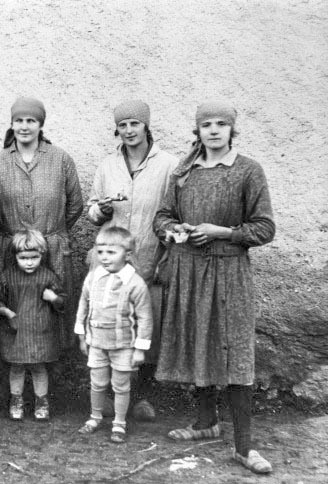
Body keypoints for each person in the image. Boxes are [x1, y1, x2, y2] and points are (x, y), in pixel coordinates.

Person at [153, 101, 275, 474]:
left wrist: (223, 232)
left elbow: (265, 228)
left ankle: (244, 447)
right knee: (198, 340)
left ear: (232, 130)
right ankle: (206, 422)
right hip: (189, 269)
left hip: (229, 272)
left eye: (222, 124)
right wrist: (175, 231)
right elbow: (162, 217)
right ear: (198, 130)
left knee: (234, 352)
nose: (214, 130)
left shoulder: (248, 170)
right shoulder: (183, 171)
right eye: (207, 124)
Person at [0, 97, 84, 401]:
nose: (24, 126)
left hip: (51, 249)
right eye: (19, 120)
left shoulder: (60, 159)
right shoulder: (0, 161)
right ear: (11, 124)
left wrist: (47, 236)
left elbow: (75, 205)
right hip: (10, 251)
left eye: (31, 121)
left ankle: (50, 387)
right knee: (9, 310)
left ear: (41, 124)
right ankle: (10, 385)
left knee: (49, 311)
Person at [87, 100, 179, 421]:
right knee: (112, 326)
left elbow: (174, 210)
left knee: (146, 327)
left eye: (134, 124)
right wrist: (101, 210)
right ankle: (113, 398)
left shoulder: (168, 165)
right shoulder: (108, 165)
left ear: (146, 126)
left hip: (150, 257)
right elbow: (92, 211)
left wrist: (166, 245)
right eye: (123, 125)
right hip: (112, 263)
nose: (128, 131)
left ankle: (143, 397)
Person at [74, 227, 153, 443]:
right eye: (100, 252)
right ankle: (95, 416)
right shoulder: (93, 277)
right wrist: (82, 336)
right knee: (97, 383)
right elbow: (83, 305)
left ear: (127, 255)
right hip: (97, 343)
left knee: (121, 385)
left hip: (123, 346)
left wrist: (139, 349)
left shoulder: (135, 283)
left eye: (111, 253)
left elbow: (145, 317)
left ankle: (119, 422)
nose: (104, 258)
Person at [0, 230, 65, 421]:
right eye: (23, 258)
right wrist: (6, 312)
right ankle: (16, 400)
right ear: (15, 256)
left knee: (39, 368)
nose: (29, 262)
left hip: (40, 331)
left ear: (42, 255)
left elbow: (63, 301)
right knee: (17, 368)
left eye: (34, 257)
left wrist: (54, 297)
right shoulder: (8, 277)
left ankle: (42, 402)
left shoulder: (48, 277)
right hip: (15, 331)